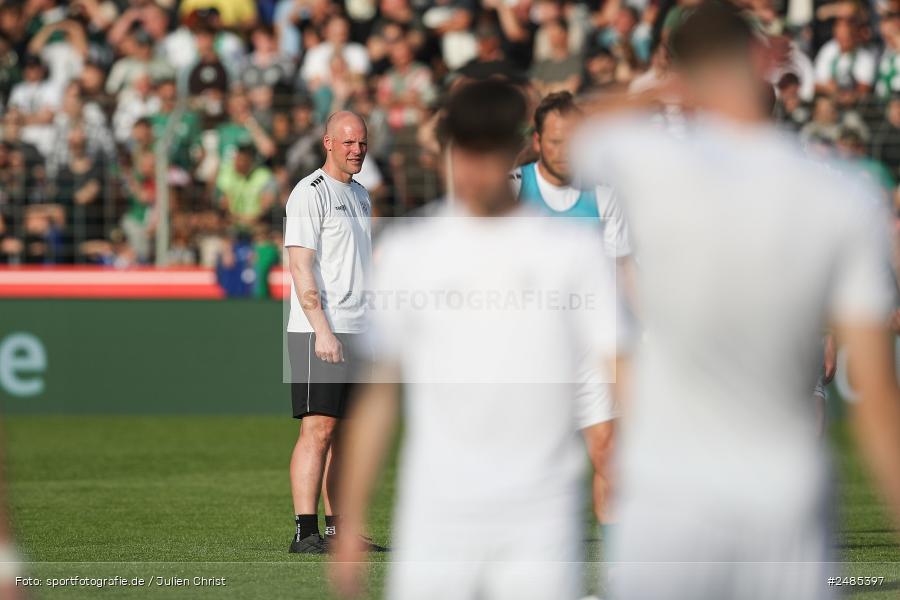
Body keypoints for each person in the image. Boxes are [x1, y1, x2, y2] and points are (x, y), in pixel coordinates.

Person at [572, 2, 900, 598]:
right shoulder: (841, 192)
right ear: (767, 63)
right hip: (785, 493)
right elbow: (877, 394)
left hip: (672, 493)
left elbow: (584, 124)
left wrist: (666, 86)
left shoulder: (653, 168)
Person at [330, 80, 620, 600]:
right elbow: (378, 396)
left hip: (543, 516)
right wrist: (349, 521)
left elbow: (620, 366)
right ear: (445, 152)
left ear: (513, 150)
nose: (477, 169)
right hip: (436, 518)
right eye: (465, 150)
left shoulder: (572, 254)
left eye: (489, 151)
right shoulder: (409, 254)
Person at [510, 90, 632, 526]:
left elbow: (623, 269)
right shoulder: (513, 188)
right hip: (530, 351)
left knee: (610, 451)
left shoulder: (603, 191)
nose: (565, 152)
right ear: (538, 141)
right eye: (555, 142)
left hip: (589, 349)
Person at [284, 111, 375, 554]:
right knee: (317, 430)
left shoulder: (361, 195)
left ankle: (341, 532)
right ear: (327, 143)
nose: (356, 149)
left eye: (361, 142)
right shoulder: (309, 193)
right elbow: (301, 268)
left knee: (347, 436)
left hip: (358, 329)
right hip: (318, 331)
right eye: (347, 142)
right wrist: (322, 330)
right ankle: (305, 531)